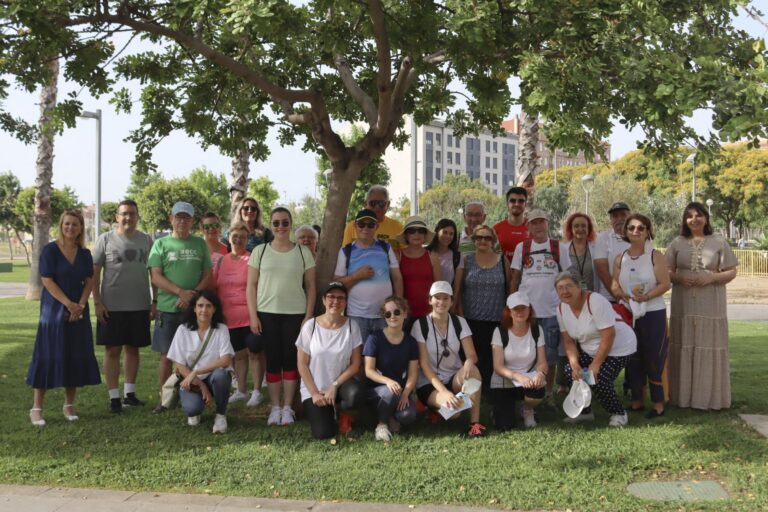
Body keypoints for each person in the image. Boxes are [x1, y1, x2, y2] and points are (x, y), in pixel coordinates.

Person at [27, 210, 101, 426]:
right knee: (47, 355)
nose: (71, 228)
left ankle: (69, 406)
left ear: (80, 228)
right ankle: (37, 408)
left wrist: (80, 304)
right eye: (67, 224)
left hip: (78, 310)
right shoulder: (50, 251)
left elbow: (89, 280)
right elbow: (47, 280)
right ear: (61, 225)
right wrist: (68, 304)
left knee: (74, 355)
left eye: (75, 225)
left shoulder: (85, 254)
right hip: (54, 311)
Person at [247, 206, 316, 426]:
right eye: (276, 223)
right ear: (271, 225)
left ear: (290, 224)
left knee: (291, 361)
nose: (280, 227)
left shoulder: (303, 252)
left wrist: (308, 316)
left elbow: (311, 287)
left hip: (295, 314)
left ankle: (288, 407)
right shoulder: (261, 251)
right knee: (273, 361)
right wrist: (253, 315)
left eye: (285, 223)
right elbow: (251, 286)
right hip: (266, 313)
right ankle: (275, 407)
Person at [666, 202, 738, 410]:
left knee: (708, 343)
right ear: (685, 220)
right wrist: (678, 277)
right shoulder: (677, 243)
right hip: (683, 303)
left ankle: (709, 398)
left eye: (698, 215)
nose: (694, 219)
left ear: (706, 218)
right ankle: (682, 397)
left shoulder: (718, 242)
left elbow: (732, 271)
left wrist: (713, 278)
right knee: (684, 342)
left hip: (711, 303)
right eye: (690, 216)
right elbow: (666, 271)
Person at [148, 201, 213, 414]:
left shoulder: (200, 244)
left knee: (195, 354)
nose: (182, 221)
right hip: (168, 308)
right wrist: (180, 292)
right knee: (167, 356)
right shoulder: (160, 244)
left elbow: (207, 275)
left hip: (195, 309)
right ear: (171, 218)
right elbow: (156, 276)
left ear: (192, 220)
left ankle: (193, 392)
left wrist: (192, 296)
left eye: (186, 217)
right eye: (178, 217)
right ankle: (165, 398)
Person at [92, 200, 155, 413]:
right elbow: (95, 273)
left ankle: (129, 394)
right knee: (112, 350)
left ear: (138, 216)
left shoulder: (147, 240)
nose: (128, 217)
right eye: (124, 214)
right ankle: (114, 398)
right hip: (112, 306)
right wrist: (98, 302)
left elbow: (153, 274)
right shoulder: (105, 240)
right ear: (117, 217)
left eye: (132, 214)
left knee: (133, 349)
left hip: (139, 305)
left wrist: (154, 301)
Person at [555, 272, 637, 427]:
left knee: (599, 379)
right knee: (571, 372)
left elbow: (609, 335)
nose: (565, 291)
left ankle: (618, 413)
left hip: (620, 347)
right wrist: (574, 364)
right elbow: (569, 342)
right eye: (560, 288)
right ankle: (585, 412)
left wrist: (596, 364)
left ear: (579, 287)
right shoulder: (560, 309)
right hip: (592, 349)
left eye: (569, 286)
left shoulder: (595, 301)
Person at [611, 214, 671, 419]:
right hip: (629, 313)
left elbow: (665, 284)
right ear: (626, 231)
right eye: (632, 228)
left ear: (648, 231)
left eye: (641, 228)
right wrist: (622, 295)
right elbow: (614, 284)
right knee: (633, 357)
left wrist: (646, 296)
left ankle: (658, 403)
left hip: (653, 311)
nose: (636, 231)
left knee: (654, 355)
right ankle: (636, 400)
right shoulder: (621, 258)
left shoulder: (655, 256)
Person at [510, 209, 571, 404]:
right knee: (526, 355)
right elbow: (515, 277)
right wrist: (512, 302)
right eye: (534, 222)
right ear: (528, 226)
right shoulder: (522, 247)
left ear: (547, 223)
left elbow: (567, 277)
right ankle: (527, 392)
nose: (538, 226)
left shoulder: (558, 247)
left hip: (552, 311)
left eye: (541, 222)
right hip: (527, 312)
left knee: (550, 356)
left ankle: (548, 393)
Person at [411, 281, 486, 438]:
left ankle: (475, 425)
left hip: (453, 377)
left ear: (452, 301)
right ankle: (435, 408)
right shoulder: (420, 325)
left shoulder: (459, 322)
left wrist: (468, 362)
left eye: (446, 298)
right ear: (430, 300)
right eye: (437, 298)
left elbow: (472, 355)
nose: (441, 302)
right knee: (453, 414)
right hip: (429, 382)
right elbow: (423, 364)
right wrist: (444, 392)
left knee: (474, 371)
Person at [296, 282, 364, 439]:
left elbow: (355, 365)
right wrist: (314, 393)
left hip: (340, 385)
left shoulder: (352, 326)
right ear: (323, 300)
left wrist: (334, 386)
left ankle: (344, 413)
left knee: (356, 395)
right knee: (323, 433)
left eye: (341, 298)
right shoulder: (310, 326)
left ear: (346, 302)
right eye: (331, 297)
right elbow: (302, 363)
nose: (336, 301)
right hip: (315, 388)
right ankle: (329, 413)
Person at [213, 222, 265, 407]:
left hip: (250, 315)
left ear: (248, 239)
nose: (238, 240)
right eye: (235, 236)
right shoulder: (221, 261)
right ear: (229, 237)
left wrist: (255, 316)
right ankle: (241, 390)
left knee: (255, 353)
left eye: (243, 237)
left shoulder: (252, 259)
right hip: (229, 317)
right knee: (238, 355)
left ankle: (257, 391)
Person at [167, 290, 234, 434]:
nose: (204, 310)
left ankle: (221, 415)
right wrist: (201, 384)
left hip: (212, 377)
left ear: (215, 309)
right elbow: (179, 364)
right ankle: (196, 408)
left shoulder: (221, 329)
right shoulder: (183, 330)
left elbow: (226, 360)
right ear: (194, 308)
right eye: (200, 306)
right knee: (192, 409)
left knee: (221, 375)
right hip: (192, 382)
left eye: (209, 306)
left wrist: (197, 371)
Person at [454, 225, 510, 393]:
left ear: (493, 241)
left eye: (487, 238)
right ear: (474, 241)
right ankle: (471, 390)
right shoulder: (466, 260)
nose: (483, 241)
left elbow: (509, 289)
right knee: (473, 357)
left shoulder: (502, 261)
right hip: (470, 319)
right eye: (479, 238)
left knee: (491, 357)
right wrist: (460, 315)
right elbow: (458, 290)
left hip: (496, 319)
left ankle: (489, 392)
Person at [334, 209, 403, 344]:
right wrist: (356, 276)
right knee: (358, 357)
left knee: (384, 357)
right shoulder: (345, 251)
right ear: (355, 226)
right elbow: (337, 284)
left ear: (376, 227)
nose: (366, 228)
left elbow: (397, 278)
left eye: (370, 225)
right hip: (357, 316)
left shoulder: (386, 248)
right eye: (362, 224)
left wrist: (398, 306)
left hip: (385, 314)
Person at [363, 295, 419, 441]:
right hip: (376, 390)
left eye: (397, 312)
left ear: (405, 313)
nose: (392, 316)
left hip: (399, 391)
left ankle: (392, 416)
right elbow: (368, 370)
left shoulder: (411, 342)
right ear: (384, 317)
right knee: (389, 392)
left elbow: (413, 374)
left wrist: (406, 393)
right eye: (388, 314)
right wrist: (387, 381)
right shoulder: (374, 338)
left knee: (408, 416)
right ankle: (381, 425)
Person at [490, 292, 547, 430]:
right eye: (516, 308)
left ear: (529, 309)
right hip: (505, 379)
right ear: (509, 311)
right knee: (504, 426)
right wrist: (517, 376)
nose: (520, 312)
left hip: (529, 379)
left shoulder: (537, 329)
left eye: (523, 308)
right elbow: (498, 367)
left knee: (537, 391)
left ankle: (527, 410)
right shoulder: (499, 331)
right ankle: (497, 410)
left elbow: (542, 362)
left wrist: (540, 374)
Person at [396, 216, 441, 323]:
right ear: (406, 235)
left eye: (421, 231)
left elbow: (439, 287)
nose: (416, 234)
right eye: (412, 231)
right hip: (405, 314)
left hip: (430, 314)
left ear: (425, 235)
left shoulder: (432, 256)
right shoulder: (398, 256)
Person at [342, 185, 404, 250]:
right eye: (373, 203)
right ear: (365, 204)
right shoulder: (352, 227)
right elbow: (346, 254)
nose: (377, 207)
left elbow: (406, 254)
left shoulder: (398, 227)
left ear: (388, 204)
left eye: (381, 203)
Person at [594, 202, 632, 302]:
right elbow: (602, 271)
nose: (619, 219)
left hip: (637, 298)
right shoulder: (603, 238)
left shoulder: (641, 237)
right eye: (615, 216)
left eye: (623, 214)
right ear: (611, 220)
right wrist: (618, 297)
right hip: (610, 299)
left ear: (630, 216)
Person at [563, 212, 599, 292]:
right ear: (571, 229)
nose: (580, 229)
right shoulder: (563, 249)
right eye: (576, 226)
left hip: (592, 298)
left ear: (588, 229)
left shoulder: (596, 248)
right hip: (570, 298)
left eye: (583, 226)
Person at [493, 186, 529, 265]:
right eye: (513, 201)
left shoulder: (533, 228)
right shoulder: (496, 229)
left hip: (527, 276)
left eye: (521, 201)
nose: (516, 204)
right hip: (502, 276)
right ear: (507, 204)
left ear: (525, 204)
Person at [426, 218, 463, 288]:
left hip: (448, 297)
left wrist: (454, 298)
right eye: (445, 232)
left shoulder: (457, 257)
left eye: (451, 234)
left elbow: (457, 287)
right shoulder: (426, 253)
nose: (448, 236)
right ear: (437, 232)